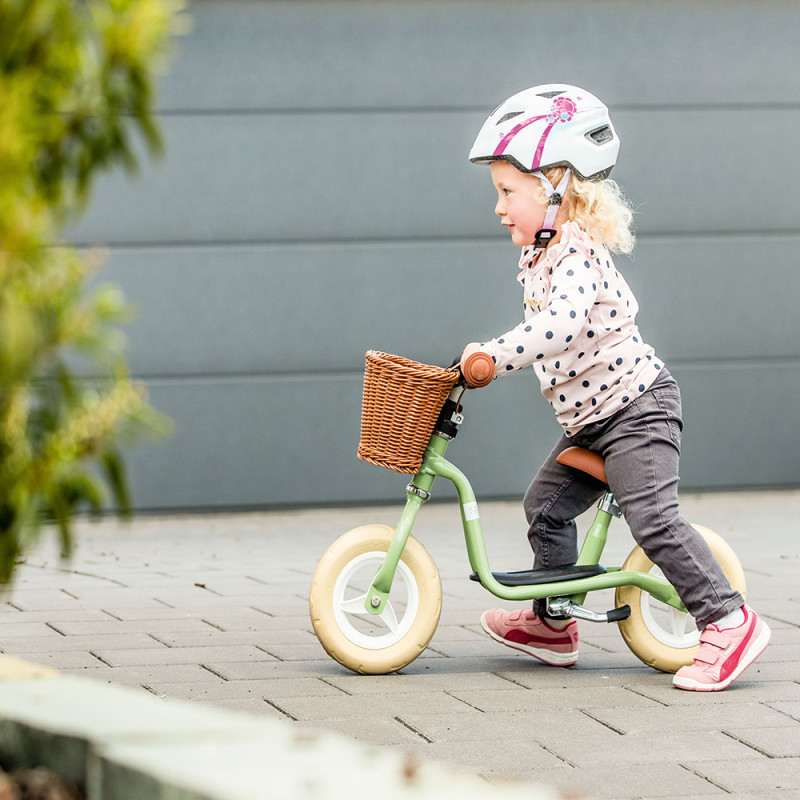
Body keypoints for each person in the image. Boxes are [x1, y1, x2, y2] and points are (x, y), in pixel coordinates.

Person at [461, 83, 770, 691]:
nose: (498, 207)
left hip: (638, 410)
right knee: (544, 509)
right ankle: (553, 626)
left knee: (652, 517)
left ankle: (728, 620)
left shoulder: (575, 253)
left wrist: (495, 355)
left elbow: (560, 326)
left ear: (556, 186)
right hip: (591, 424)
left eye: (506, 192)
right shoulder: (540, 255)